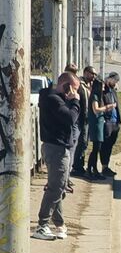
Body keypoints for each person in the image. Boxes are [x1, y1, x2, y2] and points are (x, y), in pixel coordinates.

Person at [34, 71, 80, 240]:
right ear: (66, 86)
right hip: (57, 148)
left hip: (55, 147)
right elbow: (70, 118)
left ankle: (59, 224)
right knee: (56, 187)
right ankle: (42, 225)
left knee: (57, 186)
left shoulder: (52, 97)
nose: (76, 93)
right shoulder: (54, 99)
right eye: (74, 89)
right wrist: (75, 101)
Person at [70, 66, 96, 177]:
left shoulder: (89, 85)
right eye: (91, 73)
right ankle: (77, 167)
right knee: (80, 143)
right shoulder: (80, 84)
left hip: (87, 119)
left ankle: (80, 165)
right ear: (85, 73)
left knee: (84, 143)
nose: (93, 76)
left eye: (94, 74)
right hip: (80, 118)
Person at [98, 72, 121, 176]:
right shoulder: (103, 91)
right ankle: (104, 167)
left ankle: (106, 166)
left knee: (110, 145)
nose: (116, 83)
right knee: (105, 145)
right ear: (109, 79)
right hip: (107, 122)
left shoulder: (113, 91)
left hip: (115, 122)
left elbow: (117, 106)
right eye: (115, 81)